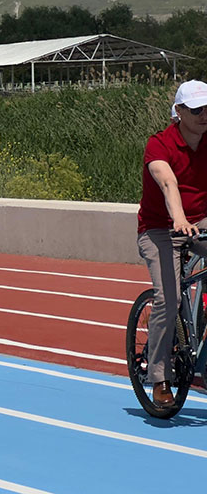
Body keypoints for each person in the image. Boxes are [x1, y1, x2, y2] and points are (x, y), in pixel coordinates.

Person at [137, 80, 207, 407]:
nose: (204, 115)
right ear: (179, 112)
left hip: (201, 222)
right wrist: (178, 218)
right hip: (161, 227)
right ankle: (159, 376)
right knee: (167, 297)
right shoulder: (159, 144)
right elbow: (167, 182)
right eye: (196, 110)